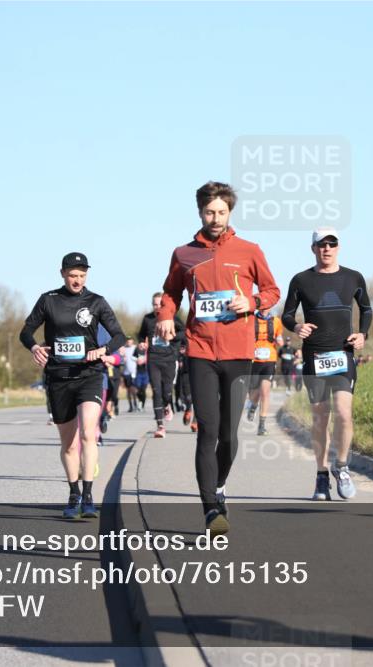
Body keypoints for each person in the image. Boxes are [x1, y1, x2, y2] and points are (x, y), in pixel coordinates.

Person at [157, 181, 279, 535]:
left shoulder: (249, 250)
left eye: (221, 212)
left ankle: (220, 484)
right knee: (207, 430)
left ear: (230, 212)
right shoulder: (184, 254)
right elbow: (171, 292)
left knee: (229, 434)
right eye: (209, 212)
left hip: (239, 352)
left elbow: (272, 290)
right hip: (200, 351)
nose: (215, 218)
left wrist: (252, 302)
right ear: (200, 212)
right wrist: (166, 315)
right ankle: (211, 508)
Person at [20, 252, 125, 519]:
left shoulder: (96, 302)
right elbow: (26, 331)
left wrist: (102, 350)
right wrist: (34, 347)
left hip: (89, 375)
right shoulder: (48, 300)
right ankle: (73, 493)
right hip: (58, 377)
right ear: (63, 274)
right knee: (68, 444)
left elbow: (119, 336)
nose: (77, 280)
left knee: (89, 434)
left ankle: (89, 496)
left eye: (82, 275)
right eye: (73, 275)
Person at [282, 227, 373, 502]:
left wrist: (362, 334)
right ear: (313, 249)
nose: (327, 248)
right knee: (321, 418)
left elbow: (366, 309)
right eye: (321, 244)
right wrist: (297, 327)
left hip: (343, 354)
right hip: (314, 357)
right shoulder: (301, 280)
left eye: (332, 244)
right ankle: (321, 475)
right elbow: (286, 314)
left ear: (338, 247)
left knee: (344, 414)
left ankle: (342, 466)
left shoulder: (353, 277)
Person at [138, 292, 185, 438]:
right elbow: (141, 335)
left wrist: (174, 336)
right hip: (153, 359)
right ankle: (160, 426)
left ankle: (167, 404)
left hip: (169, 359)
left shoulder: (173, 319)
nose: (157, 307)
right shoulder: (148, 319)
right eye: (155, 304)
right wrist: (141, 343)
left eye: (160, 304)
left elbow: (185, 333)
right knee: (156, 391)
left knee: (166, 391)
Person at [246, 310, 284, 436]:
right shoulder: (251, 319)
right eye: (262, 306)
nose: (264, 308)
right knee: (254, 392)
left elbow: (280, 338)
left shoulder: (276, 321)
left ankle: (261, 425)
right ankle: (253, 405)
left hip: (270, 359)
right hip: (254, 359)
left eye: (267, 306)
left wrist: (280, 341)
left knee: (265, 391)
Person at [119, 337, 138, 413]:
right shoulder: (124, 349)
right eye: (127, 340)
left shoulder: (135, 348)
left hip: (134, 372)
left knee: (133, 389)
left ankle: (135, 405)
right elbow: (120, 359)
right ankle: (130, 406)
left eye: (130, 340)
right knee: (128, 390)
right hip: (126, 372)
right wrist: (122, 358)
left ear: (132, 341)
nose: (129, 341)